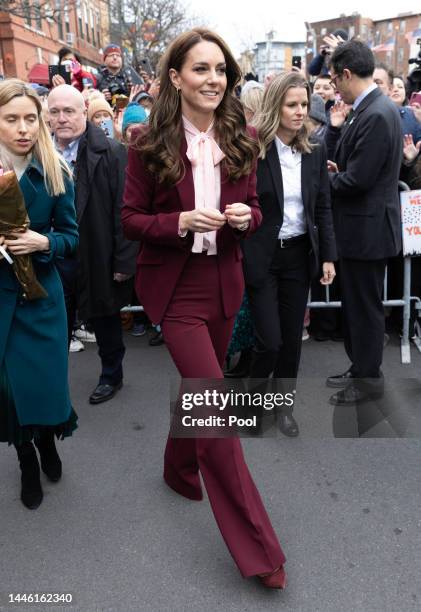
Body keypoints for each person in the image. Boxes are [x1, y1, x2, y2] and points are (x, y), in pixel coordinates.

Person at [122, 27, 287, 589]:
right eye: (201, 69)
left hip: (225, 283)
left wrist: (246, 218)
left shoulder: (243, 135)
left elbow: (259, 209)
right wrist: (179, 223)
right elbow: (129, 220)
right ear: (176, 78)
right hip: (176, 290)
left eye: (220, 70)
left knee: (202, 389)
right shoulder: (146, 142)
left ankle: (177, 469)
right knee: (217, 409)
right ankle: (260, 551)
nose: (214, 79)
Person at [242, 72, 337, 437]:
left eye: (303, 104)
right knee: (269, 340)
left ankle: (283, 409)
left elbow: (323, 206)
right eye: (292, 105)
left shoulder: (315, 149)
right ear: (275, 105)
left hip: (300, 255)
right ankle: (252, 407)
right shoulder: (255, 149)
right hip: (264, 257)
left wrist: (328, 256)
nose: (300, 112)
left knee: (291, 343)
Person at [0, 79, 78, 509]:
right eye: (11, 119)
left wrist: (42, 242)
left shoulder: (56, 172)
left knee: (47, 387)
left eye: (31, 118)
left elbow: (71, 237)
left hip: (43, 300)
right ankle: (26, 458)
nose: (23, 128)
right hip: (2, 304)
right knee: (11, 392)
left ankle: (48, 440)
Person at [48, 84, 138, 404]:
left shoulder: (112, 152)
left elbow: (124, 211)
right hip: (54, 255)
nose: (62, 118)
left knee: (105, 319)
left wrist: (124, 263)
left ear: (84, 112)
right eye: (55, 111)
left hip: (97, 252)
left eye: (69, 111)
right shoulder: (40, 154)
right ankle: (49, 385)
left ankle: (111, 375)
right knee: (53, 324)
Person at [326, 40, 402, 404]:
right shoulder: (368, 109)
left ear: (345, 73)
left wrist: (320, 179)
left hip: (367, 230)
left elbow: (358, 180)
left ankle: (368, 380)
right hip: (362, 228)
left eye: (334, 78)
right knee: (357, 307)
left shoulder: (375, 112)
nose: (333, 87)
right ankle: (360, 369)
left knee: (365, 310)